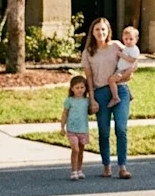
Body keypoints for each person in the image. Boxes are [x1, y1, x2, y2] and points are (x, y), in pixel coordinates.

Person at [81, 17, 135, 179]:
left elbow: (132, 65)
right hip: (100, 93)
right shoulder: (88, 52)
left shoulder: (117, 46)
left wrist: (123, 77)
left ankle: (122, 167)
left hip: (120, 90)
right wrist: (92, 99)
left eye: (103, 29)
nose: (100, 32)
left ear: (108, 31)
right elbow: (89, 78)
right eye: (97, 29)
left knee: (121, 128)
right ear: (92, 31)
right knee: (104, 131)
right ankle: (106, 166)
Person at [60, 75, 92, 180]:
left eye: (82, 87)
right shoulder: (69, 101)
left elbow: (92, 110)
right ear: (72, 88)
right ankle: (73, 171)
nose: (79, 90)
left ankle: (79, 169)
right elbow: (65, 114)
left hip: (83, 129)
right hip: (72, 130)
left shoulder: (87, 101)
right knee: (75, 149)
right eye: (77, 88)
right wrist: (62, 127)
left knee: (81, 151)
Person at [106, 26, 140, 107]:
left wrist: (121, 55)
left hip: (125, 70)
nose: (128, 41)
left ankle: (115, 97)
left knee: (111, 80)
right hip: (121, 69)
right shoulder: (126, 48)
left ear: (136, 39)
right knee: (119, 82)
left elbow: (132, 60)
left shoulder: (134, 49)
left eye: (131, 39)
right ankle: (129, 94)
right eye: (126, 39)